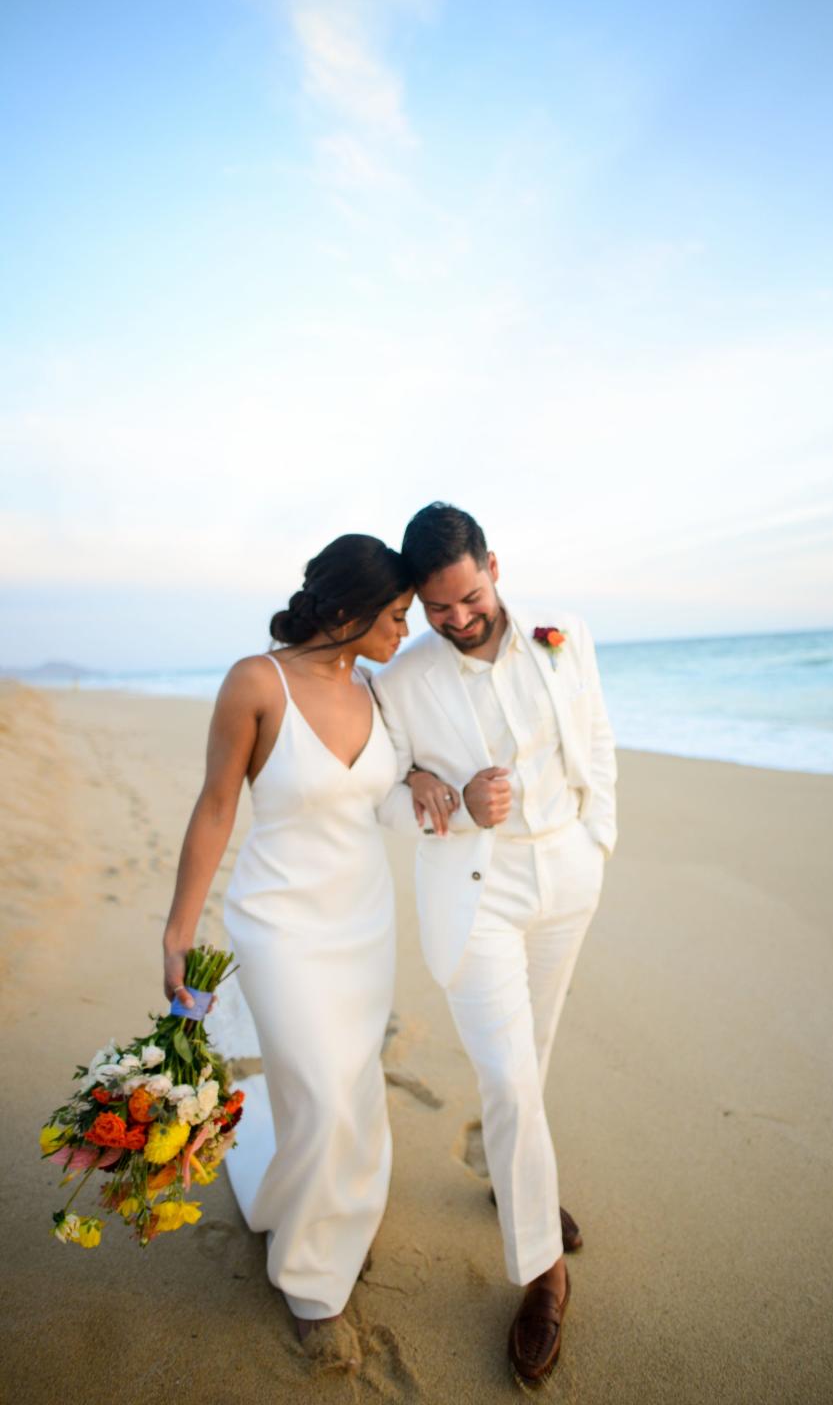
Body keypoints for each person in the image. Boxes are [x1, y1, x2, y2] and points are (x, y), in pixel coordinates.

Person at [161, 534, 450, 1368]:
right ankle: (313, 1287)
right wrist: (179, 930)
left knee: (350, 1089)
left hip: (364, 920)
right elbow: (216, 806)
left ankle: (324, 1215)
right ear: (347, 611)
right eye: (396, 617)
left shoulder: (381, 690)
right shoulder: (257, 681)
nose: (407, 631)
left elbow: (396, 780)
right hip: (280, 921)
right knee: (321, 1093)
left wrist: (424, 780)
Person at [374, 503, 617, 1384]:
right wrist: (441, 799)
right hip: (477, 896)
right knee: (509, 1076)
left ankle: (514, 1180)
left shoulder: (565, 636)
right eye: (437, 609)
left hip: (568, 880)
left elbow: (595, 741)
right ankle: (543, 1275)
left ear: (494, 567)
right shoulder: (400, 683)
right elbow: (380, 799)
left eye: (468, 598)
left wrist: (600, 842)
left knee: (533, 1057)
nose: (456, 620)